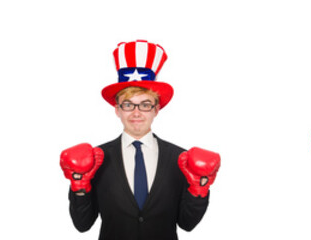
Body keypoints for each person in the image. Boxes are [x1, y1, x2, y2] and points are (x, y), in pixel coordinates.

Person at [61, 40, 219, 240]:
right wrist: (79, 186)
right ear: (117, 109)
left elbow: (187, 224)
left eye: (145, 104)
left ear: (156, 109)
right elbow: (83, 225)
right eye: (128, 104)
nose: (136, 113)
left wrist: (200, 188)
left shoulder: (182, 159)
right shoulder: (94, 159)